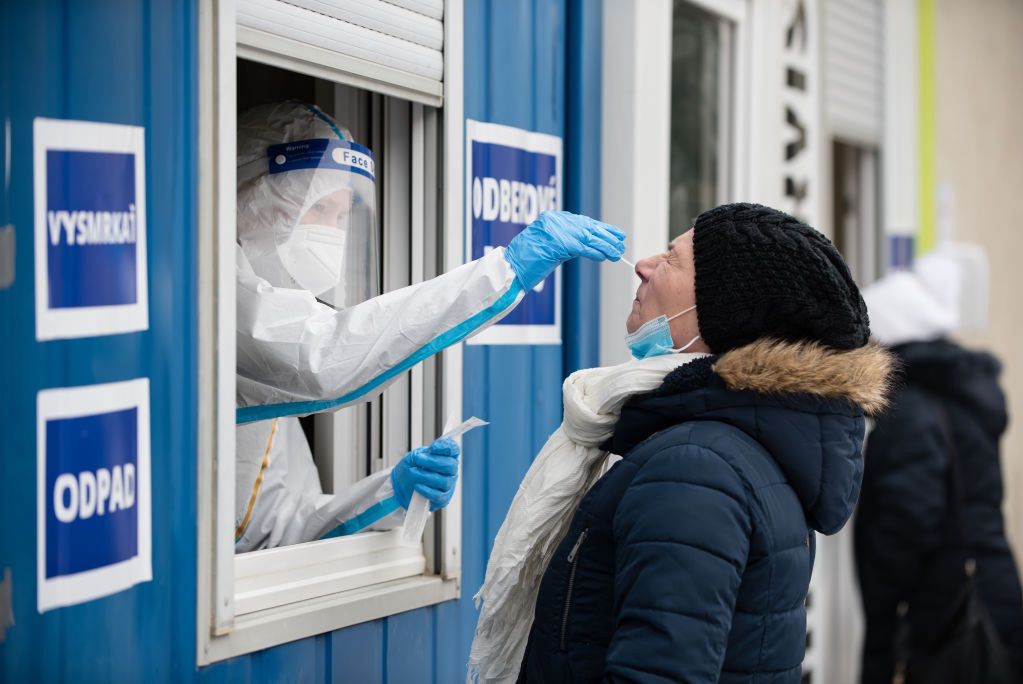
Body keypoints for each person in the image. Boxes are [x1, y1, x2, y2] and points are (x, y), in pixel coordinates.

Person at [469, 203, 894, 683]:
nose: (645, 265)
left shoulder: (696, 470)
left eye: (672, 259)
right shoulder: (728, 452)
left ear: (722, 316)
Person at [233, 101, 626, 551]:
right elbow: (322, 358)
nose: (333, 234)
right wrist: (504, 271)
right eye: (319, 208)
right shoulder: (214, 292)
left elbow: (269, 530)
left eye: (342, 216)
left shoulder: (270, 359)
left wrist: (391, 493)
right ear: (250, 194)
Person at [855, 253, 1023, 682]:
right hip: (987, 591)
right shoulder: (959, 401)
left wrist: (884, 605)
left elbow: (909, 522)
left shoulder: (912, 414)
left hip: (946, 613)